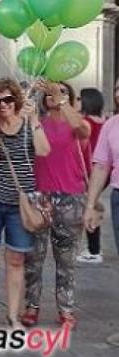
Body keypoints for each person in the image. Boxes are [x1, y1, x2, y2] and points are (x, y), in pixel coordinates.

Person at [0, 79, 49, 329]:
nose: (4, 105)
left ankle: (13, 315)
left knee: (16, 259)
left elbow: (44, 150)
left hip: (21, 203)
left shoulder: (28, 124)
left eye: (8, 99)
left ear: (16, 100)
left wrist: (35, 119)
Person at [22, 80, 89, 329]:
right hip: (39, 196)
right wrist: (30, 91)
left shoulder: (74, 122)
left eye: (61, 91)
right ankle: (32, 305)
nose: (53, 95)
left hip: (70, 195)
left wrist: (61, 98)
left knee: (66, 259)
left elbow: (83, 131)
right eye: (49, 92)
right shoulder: (35, 121)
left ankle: (66, 308)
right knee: (34, 258)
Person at [84, 78, 119, 263]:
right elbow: (101, 165)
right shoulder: (111, 124)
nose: (118, 94)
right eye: (116, 89)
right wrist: (90, 205)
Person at [77, 88, 105, 264]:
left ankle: (94, 250)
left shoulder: (84, 122)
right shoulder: (105, 121)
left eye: (80, 98)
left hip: (91, 171)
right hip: (104, 170)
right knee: (94, 204)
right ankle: (94, 248)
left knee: (90, 206)